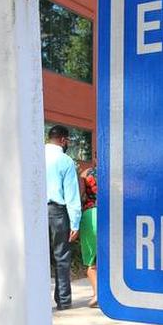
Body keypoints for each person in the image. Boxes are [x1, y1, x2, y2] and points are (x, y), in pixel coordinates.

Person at [45, 125, 82, 310]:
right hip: (57, 212)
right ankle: (64, 300)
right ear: (63, 140)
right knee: (61, 256)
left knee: (37, 256)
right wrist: (75, 223)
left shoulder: (35, 156)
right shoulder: (66, 161)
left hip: (35, 212)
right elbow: (72, 195)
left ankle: (38, 299)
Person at [79, 162, 98, 308]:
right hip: (111, 215)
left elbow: (79, 195)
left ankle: (97, 292)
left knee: (92, 260)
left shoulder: (86, 174)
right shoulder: (117, 175)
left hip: (90, 214)